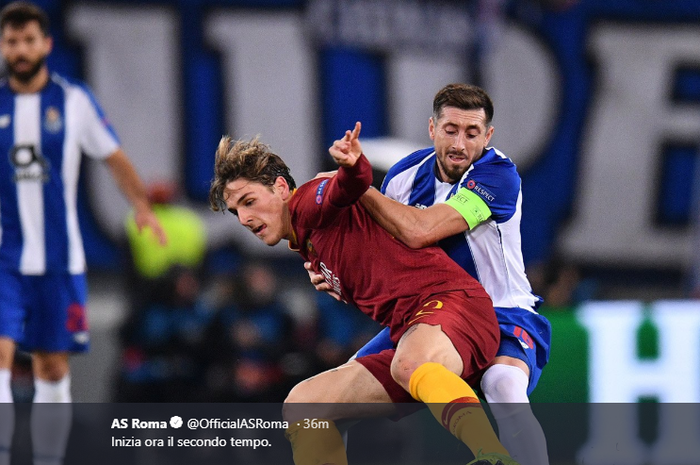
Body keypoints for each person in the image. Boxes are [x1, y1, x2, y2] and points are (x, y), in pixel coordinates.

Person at [209, 122, 521, 465]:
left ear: (282, 188)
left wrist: (353, 165)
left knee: (409, 362)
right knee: (305, 404)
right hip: (417, 333)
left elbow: (347, 185)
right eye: (237, 210)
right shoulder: (308, 241)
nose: (243, 218)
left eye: (249, 201)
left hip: (456, 308)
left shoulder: (309, 201)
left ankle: (493, 457)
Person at [309, 83, 552, 465]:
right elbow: (384, 255)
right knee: (321, 405)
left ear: (487, 136)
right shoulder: (405, 176)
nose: (459, 143)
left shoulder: (498, 176)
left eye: (472, 133)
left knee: (503, 386)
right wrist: (334, 272)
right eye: (450, 130)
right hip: (429, 316)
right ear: (432, 129)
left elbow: (420, 230)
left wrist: (359, 186)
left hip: (502, 312)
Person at [0, 2, 166, 465]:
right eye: (12, 41)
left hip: (59, 261)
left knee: (51, 369)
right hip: (5, 260)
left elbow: (114, 157)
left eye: (29, 40)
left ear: (46, 44)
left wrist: (141, 206)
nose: (20, 49)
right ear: (3, 46)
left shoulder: (73, 101)